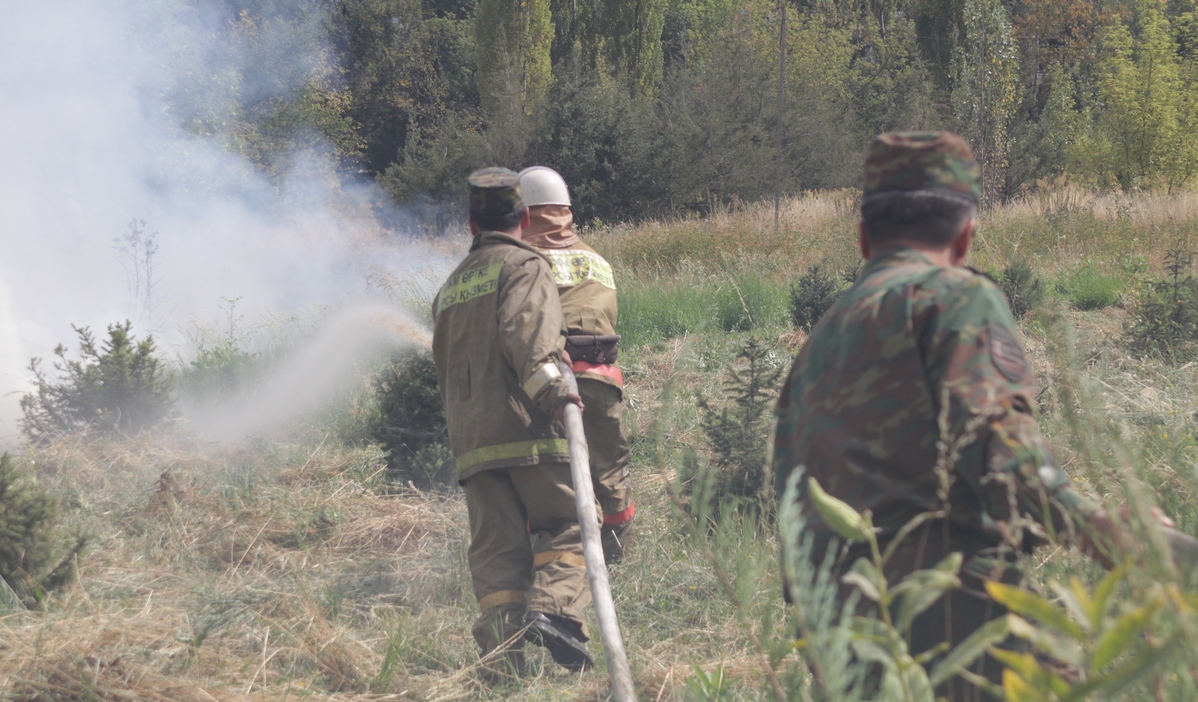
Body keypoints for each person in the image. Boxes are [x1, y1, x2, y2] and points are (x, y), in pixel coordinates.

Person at [771, 132, 1193, 699]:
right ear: (966, 235)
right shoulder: (951, 297)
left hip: (837, 640)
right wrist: (1099, 529)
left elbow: (790, 501)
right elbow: (996, 450)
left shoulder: (820, 338)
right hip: (949, 627)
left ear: (865, 236)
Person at [431, 167, 594, 676]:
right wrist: (558, 396)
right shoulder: (525, 265)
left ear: (471, 225)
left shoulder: (451, 287)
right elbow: (529, 337)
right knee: (566, 525)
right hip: (527, 431)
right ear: (523, 217)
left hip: (473, 443)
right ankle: (557, 614)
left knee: (498, 554)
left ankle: (503, 664)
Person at [517, 166, 636, 563]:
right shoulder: (595, 259)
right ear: (566, 210)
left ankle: (558, 560)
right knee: (609, 469)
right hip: (603, 379)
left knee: (550, 472)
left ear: (524, 212)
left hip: (550, 379)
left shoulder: (523, 259)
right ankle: (617, 555)